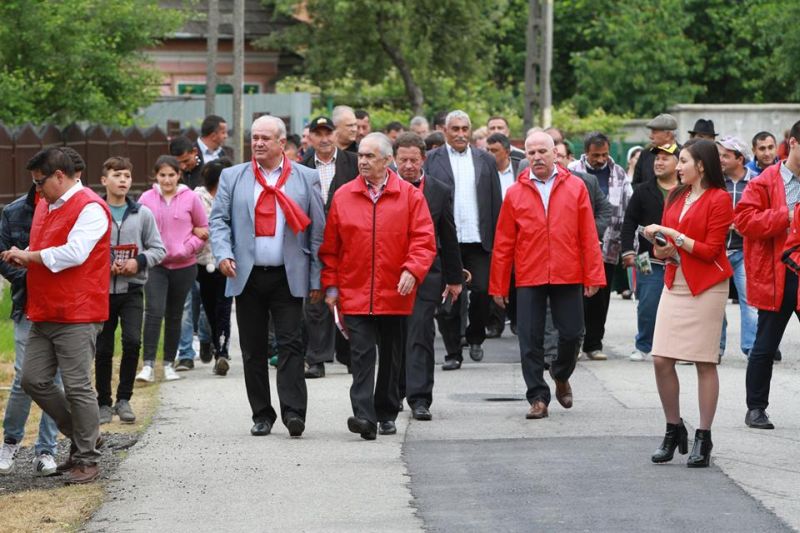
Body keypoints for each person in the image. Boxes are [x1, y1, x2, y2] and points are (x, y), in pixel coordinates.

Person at [1, 147, 112, 484]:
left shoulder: (90, 207)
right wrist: (25, 259)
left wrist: (29, 256)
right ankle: (85, 437)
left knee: (78, 387)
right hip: (44, 310)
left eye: (40, 182)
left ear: (59, 176)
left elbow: (75, 253)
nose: (37, 190)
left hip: (78, 312)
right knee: (33, 379)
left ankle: (87, 459)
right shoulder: (47, 206)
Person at [210, 115, 325, 437]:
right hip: (247, 275)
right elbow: (218, 221)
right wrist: (223, 253)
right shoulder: (233, 177)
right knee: (253, 349)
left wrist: (317, 278)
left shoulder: (305, 177)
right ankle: (262, 414)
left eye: (264, 138)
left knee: (290, 345)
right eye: (254, 137)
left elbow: (317, 232)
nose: (258, 143)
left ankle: (293, 413)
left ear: (281, 143)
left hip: (289, 275)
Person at [320, 132, 436, 439]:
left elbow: (424, 240)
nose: (363, 162)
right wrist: (331, 287)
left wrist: (412, 270)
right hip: (355, 291)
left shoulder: (410, 196)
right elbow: (330, 249)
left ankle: (386, 411)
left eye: (370, 156)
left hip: (395, 292)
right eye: (360, 156)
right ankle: (363, 416)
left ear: (387, 161)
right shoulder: (344, 195)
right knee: (361, 355)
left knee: (391, 356)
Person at [490, 132, 605, 420]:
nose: (537, 157)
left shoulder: (576, 187)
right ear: (525, 157)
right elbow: (504, 241)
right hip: (530, 273)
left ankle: (561, 373)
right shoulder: (515, 193)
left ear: (555, 154)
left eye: (543, 151)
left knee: (573, 333)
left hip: (568, 271)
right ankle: (537, 397)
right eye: (531, 153)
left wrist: (593, 275)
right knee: (529, 338)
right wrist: (499, 284)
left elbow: (588, 235)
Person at [644, 139, 733, 468]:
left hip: (708, 286)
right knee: (660, 359)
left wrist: (674, 235)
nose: (677, 166)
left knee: (704, 362)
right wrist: (661, 243)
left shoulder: (720, 199)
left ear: (702, 165)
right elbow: (662, 249)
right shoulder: (676, 196)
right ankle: (673, 428)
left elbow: (711, 251)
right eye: (677, 161)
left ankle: (703, 437)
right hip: (675, 281)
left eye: (683, 160)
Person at [0, 160, 66, 477]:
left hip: (62, 307)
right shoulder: (14, 212)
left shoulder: (72, 210)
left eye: (43, 180)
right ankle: (10, 442)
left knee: (54, 380)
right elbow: (3, 256)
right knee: (24, 379)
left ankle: (46, 450)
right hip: (26, 304)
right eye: (35, 181)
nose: (39, 187)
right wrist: (29, 278)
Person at [735, 120, 800, 430]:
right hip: (777, 273)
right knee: (764, 345)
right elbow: (745, 221)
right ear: (794, 145)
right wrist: (786, 215)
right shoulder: (764, 182)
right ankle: (756, 408)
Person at [424, 110, 501, 370]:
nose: (460, 134)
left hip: (479, 240)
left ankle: (476, 336)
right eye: (454, 129)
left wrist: (498, 238)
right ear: (445, 131)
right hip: (447, 242)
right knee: (448, 301)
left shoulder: (485, 160)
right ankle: (453, 352)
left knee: (481, 294)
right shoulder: (432, 160)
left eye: (464, 129)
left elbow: (495, 201)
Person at [393, 132, 462, 421]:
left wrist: (454, 277)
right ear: (394, 160)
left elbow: (448, 233)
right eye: (402, 160)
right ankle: (393, 393)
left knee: (420, 333)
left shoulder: (438, 189)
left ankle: (420, 398)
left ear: (424, 159)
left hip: (426, 274)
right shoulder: (384, 187)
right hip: (391, 274)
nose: (408, 165)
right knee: (394, 336)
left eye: (414, 160)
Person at [96, 157, 166, 424]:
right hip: (101, 292)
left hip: (133, 289)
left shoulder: (142, 213)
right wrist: (104, 265)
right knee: (102, 348)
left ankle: (124, 399)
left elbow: (159, 249)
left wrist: (138, 262)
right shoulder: (94, 211)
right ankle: (103, 402)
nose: (123, 180)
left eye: (127, 175)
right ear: (104, 180)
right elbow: (83, 249)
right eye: (117, 175)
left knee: (132, 341)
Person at [136, 156, 208, 381]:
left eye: (171, 175)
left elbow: (203, 229)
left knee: (175, 315)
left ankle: (168, 363)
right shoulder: (146, 199)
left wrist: (188, 248)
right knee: (154, 312)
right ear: (155, 176)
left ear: (179, 175)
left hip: (184, 266)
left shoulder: (191, 198)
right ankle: (147, 365)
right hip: (155, 265)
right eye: (162, 175)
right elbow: (137, 229)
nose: (167, 180)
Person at [300, 116, 359, 378]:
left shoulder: (354, 163)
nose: (323, 138)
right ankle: (317, 358)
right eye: (318, 133)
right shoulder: (301, 168)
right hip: (314, 241)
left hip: (349, 240)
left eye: (328, 132)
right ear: (310, 137)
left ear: (335, 134)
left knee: (346, 296)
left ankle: (350, 355)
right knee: (315, 297)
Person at [569, 132, 633, 360]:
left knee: (600, 299)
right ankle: (574, 343)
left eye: (604, 154)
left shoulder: (619, 173)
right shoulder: (572, 170)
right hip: (577, 247)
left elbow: (627, 209)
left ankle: (594, 344)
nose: (600, 159)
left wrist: (629, 246)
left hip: (609, 247)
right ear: (585, 153)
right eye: (596, 155)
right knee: (577, 298)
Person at [621, 143, 680, 361]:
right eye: (657, 158)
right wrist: (627, 250)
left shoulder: (688, 188)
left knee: (681, 306)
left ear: (678, 162)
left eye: (666, 158)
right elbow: (629, 223)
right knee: (647, 303)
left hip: (681, 259)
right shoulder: (643, 190)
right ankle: (644, 345)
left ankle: (678, 348)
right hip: (647, 259)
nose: (659, 162)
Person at [170, 135, 213, 365]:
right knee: (185, 304)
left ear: (195, 152)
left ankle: (206, 338)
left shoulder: (207, 174)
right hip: (182, 251)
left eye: (186, 161)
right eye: (179, 164)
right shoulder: (173, 178)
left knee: (206, 302)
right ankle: (185, 353)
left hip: (206, 251)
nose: (183, 167)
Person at [717, 136, 758, 358]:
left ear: (740, 158)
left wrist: (747, 226)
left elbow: (761, 214)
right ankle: (715, 348)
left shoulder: (757, 182)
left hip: (745, 251)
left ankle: (752, 349)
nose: (720, 159)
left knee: (750, 301)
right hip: (717, 251)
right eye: (719, 155)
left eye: (726, 155)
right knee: (715, 302)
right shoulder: (714, 182)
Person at [194, 158, 235, 376]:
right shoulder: (196, 198)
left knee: (224, 307)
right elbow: (187, 222)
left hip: (227, 261)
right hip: (203, 261)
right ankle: (213, 343)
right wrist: (195, 231)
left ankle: (222, 352)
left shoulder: (233, 198)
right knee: (209, 308)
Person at [485, 132, 521, 337]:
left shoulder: (519, 169)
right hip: (492, 229)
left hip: (517, 230)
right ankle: (495, 323)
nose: (490, 155)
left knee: (516, 277)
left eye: (495, 151)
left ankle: (516, 319)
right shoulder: (483, 171)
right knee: (495, 275)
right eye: (487, 150)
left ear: (506, 152)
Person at [633, 114, 681, 187]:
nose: (650, 136)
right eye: (657, 159)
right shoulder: (645, 154)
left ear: (668, 135)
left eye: (654, 132)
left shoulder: (683, 154)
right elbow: (635, 185)